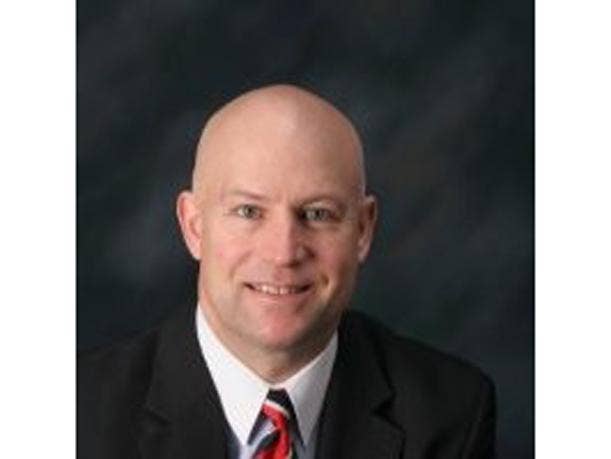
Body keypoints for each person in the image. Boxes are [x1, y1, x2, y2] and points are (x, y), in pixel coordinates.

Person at [78, 84, 496, 459]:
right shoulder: (77, 416)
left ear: (363, 230)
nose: (283, 253)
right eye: (248, 211)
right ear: (194, 226)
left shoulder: (449, 413)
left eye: (317, 214)